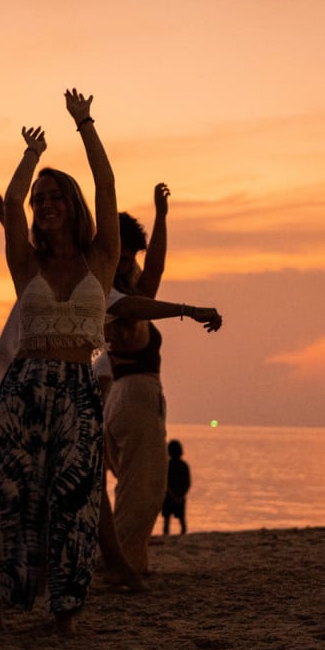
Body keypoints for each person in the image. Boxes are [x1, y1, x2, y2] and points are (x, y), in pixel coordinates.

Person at [0, 89, 117, 636]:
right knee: (8, 498)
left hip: (78, 391)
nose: (45, 203)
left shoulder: (100, 258)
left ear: (72, 203)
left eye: (55, 195)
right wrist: (31, 156)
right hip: (22, 390)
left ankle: (64, 612)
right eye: (41, 198)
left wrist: (85, 124)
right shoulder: (26, 261)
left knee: (74, 502)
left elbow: (106, 185)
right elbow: (11, 202)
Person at [99, 192, 221, 574]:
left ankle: (127, 561)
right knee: (142, 488)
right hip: (133, 395)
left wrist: (161, 216)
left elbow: (154, 268)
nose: (130, 265)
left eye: (132, 257)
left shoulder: (124, 286)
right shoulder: (109, 294)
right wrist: (188, 310)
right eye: (123, 258)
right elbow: (141, 299)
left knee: (138, 486)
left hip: (126, 396)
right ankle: (122, 565)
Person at [161, 440, 191, 536]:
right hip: (179, 495)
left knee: (166, 522)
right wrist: (181, 495)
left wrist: (172, 495)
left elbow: (165, 482)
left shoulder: (167, 465)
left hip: (168, 496)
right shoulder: (184, 465)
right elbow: (188, 483)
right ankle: (183, 536)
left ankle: (166, 537)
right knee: (182, 522)